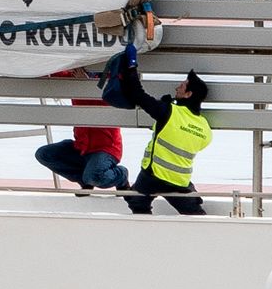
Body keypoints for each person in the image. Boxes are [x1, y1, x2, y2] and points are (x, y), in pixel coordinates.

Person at [122, 65, 212, 215]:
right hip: (179, 182)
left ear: (188, 94)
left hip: (152, 176)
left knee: (136, 202)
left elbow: (138, 95)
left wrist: (131, 69)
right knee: (195, 215)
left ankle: (146, 232)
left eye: (182, 86)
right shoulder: (205, 128)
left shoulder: (169, 112)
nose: (177, 87)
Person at [34, 70, 126, 191]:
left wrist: (88, 83)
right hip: (81, 146)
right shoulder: (74, 75)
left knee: (95, 177)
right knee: (44, 154)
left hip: (106, 147)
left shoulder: (113, 77)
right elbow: (52, 74)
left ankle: (121, 175)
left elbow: (112, 99)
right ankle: (83, 179)